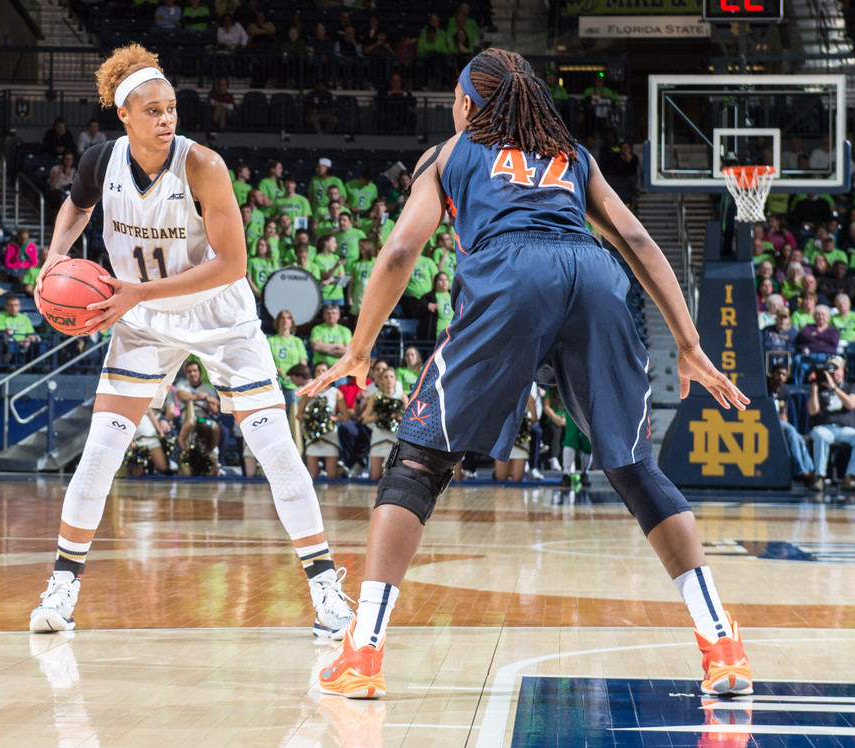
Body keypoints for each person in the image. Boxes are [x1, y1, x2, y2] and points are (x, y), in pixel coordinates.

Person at [301, 48, 753, 700]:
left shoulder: (451, 153)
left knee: (418, 463)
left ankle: (363, 651)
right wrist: (688, 341)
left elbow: (400, 249)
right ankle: (722, 644)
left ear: (466, 104)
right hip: (595, 277)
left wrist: (359, 347)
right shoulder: (573, 155)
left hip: (512, 277)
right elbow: (637, 241)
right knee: (634, 466)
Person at [27, 44, 353, 642]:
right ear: (124, 115)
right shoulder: (100, 161)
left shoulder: (202, 165)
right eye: (153, 110)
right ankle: (62, 588)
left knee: (277, 451)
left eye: (171, 108)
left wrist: (138, 293)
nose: (166, 118)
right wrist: (54, 259)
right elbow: (75, 207)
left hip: (219, 316)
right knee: (99, 452)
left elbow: (233, 265)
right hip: (142, 318)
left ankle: (326, 590)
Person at [806, 355, 855, 492]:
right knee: (820, 435)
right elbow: (812, 411)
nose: (834, 372)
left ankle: (851, 477)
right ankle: (819, 478)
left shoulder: (851, 386)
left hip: (845, 430)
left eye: (837, 368)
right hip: (824, 428)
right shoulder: (820, 388)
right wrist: (815, 387)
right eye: (831, 369)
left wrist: (834, 388)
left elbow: (851, 404)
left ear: (844, 370)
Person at [295, 362, 349, 479]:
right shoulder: (309, 392)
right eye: (318, 371)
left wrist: (333, 418)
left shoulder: (336, 393)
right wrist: (310, 420)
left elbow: (345, 416)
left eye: (323, 371)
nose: (320, 373)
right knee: (312, 475)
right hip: (312, 435)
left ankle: (342, 470)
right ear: (314, 374)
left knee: (331, 474)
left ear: (329, 373)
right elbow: (299, 415)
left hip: (330, 434)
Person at [767, 364, 814, 484]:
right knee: (791, 430)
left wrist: (782, 425)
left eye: (784, 374)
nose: (781, 377)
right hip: (764, 421)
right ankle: (799, 470)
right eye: (778, 373)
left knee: (799, 438)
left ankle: (810, 471)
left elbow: (783, 413)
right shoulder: (765, 387)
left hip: (778, 423)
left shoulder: (785, 391)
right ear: (772, 374)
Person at [362, 366, 407, 480]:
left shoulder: (401, 396)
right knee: (375, 475)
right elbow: (366, 419)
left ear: (395, 379)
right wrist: (379, 416)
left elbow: (410, 418)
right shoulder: (375, 395)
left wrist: (399, 417)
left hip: (395, 436)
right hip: (379, 435)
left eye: (391, 377)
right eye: (386, 377)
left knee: (393, 475)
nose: (389, 379)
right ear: (381, 380)